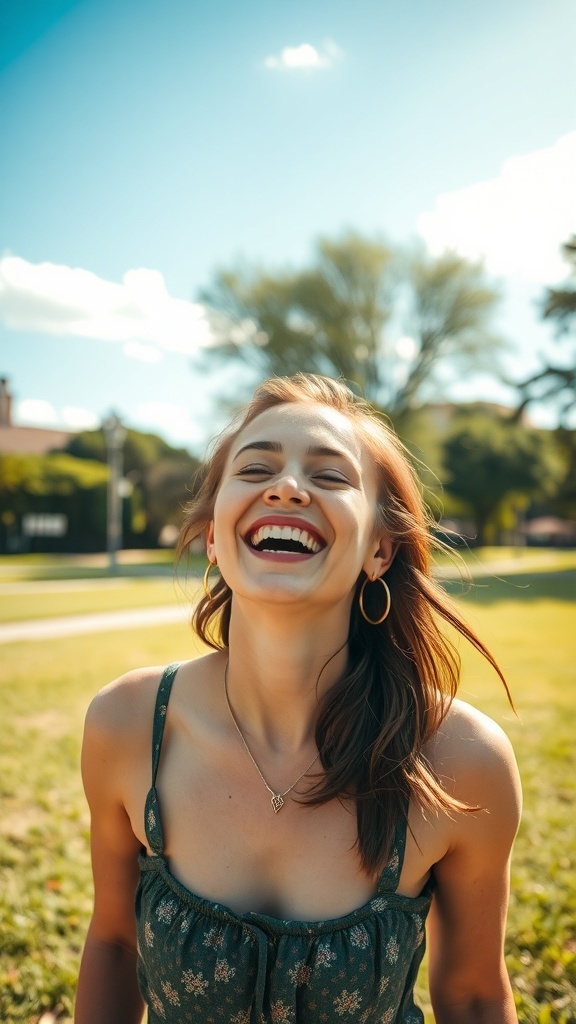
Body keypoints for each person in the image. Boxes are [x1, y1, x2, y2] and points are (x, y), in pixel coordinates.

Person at [75, 373, 521, 1024]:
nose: (286, 486)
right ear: (214, 537)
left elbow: (477, 997)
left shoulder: (462, 761)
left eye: (332, 476)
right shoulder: (127, 724)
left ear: (379, 548)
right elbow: (114, 946)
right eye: (255, 469)